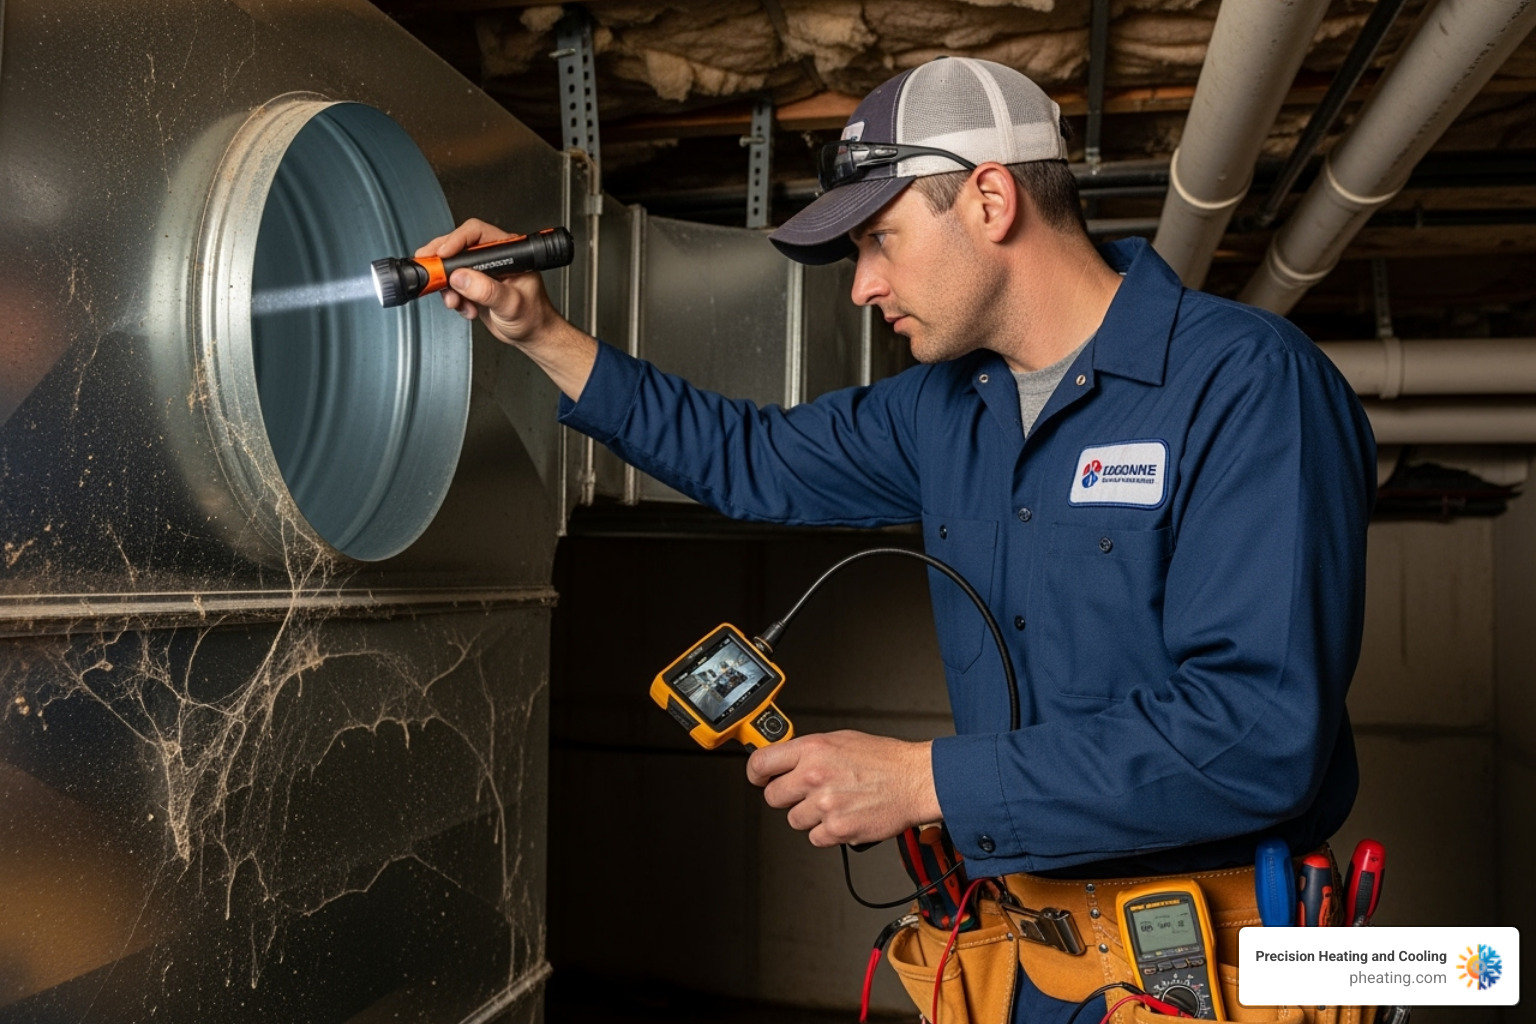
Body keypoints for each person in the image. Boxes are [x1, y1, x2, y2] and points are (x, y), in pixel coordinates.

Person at [420, 56, 1375, 1022]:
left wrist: (923, 781)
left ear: (991, 200)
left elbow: (1257, 734)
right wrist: (536, 329)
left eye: (882, 238)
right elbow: (752, 459)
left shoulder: (1246, 385)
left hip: (1212, 972)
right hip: (1020, 963)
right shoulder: (946, 407)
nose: (862, 286)